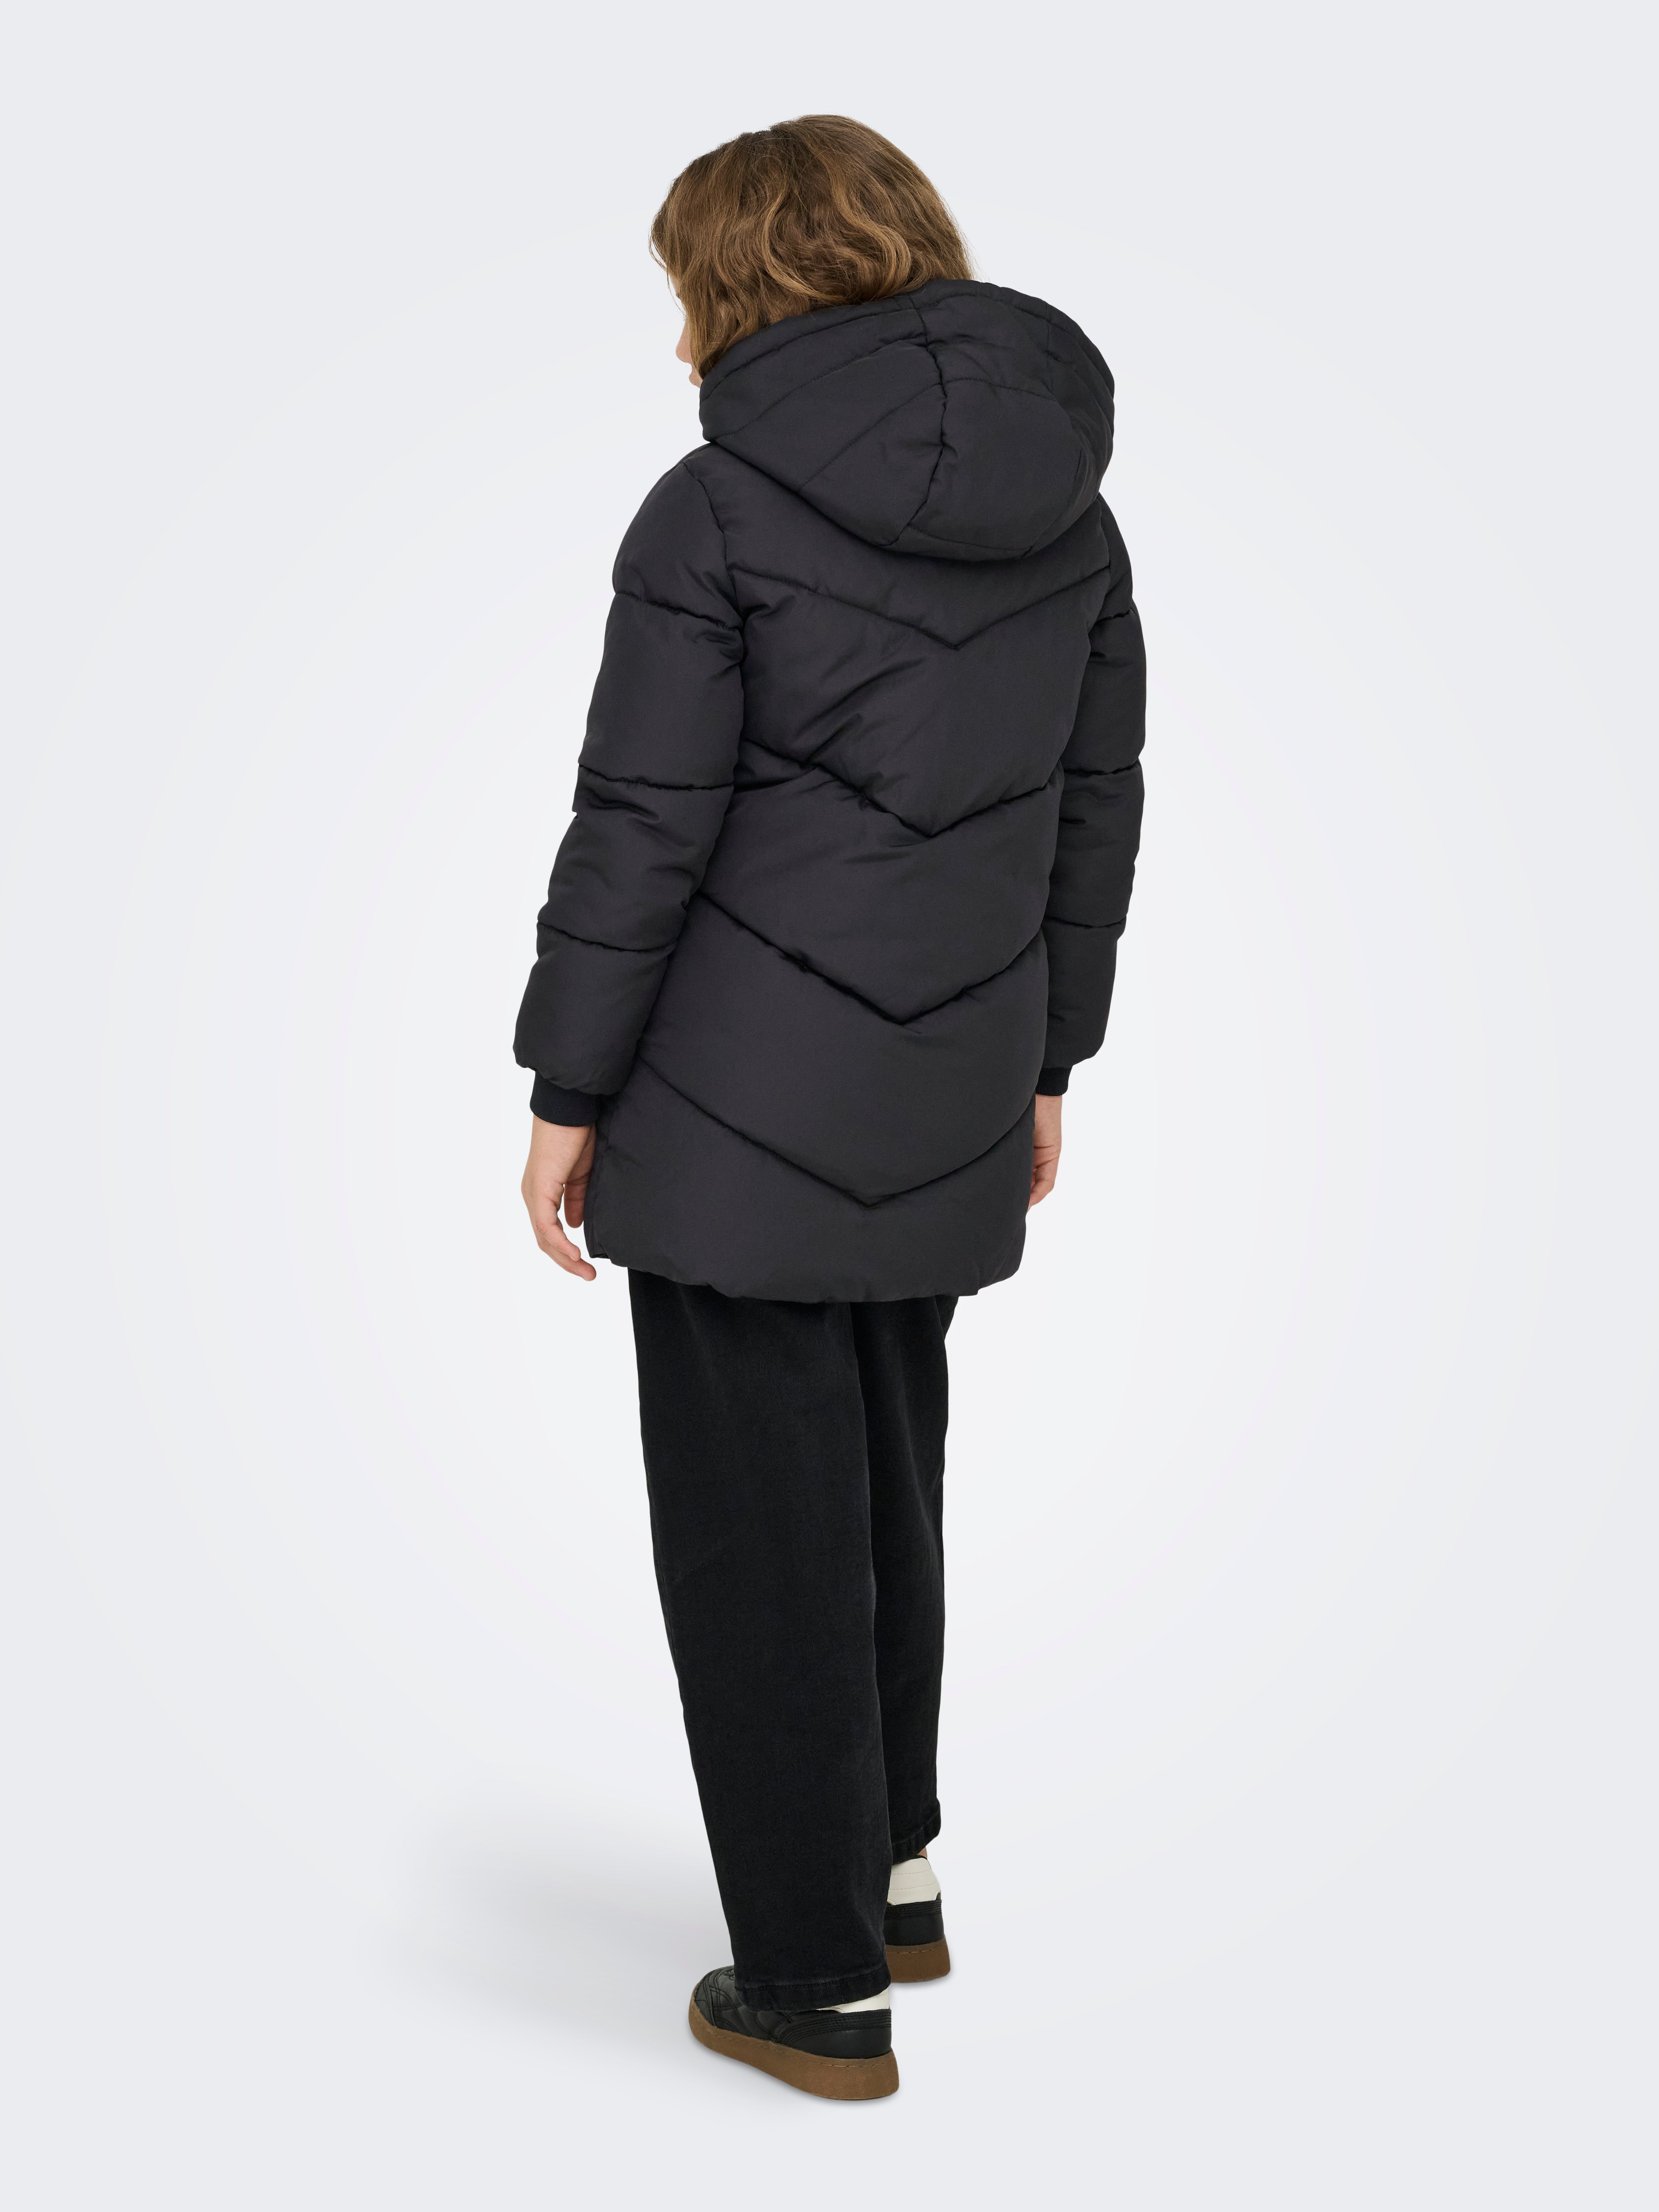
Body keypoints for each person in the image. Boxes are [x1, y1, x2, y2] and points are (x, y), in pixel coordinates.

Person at [514, 115, 1145, 2101]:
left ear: (739, 281)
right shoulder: (1075, 513)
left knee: (755, 1534)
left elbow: (640, 827)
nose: (677, 330)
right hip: (948, 1082)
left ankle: (805, 1984)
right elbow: (1092, 816)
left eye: (685, 287)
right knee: (883, 1479)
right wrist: (1044, 1058)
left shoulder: (713, 509)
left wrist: (568, 1085)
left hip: (725, 1101)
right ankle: (888, 1877)